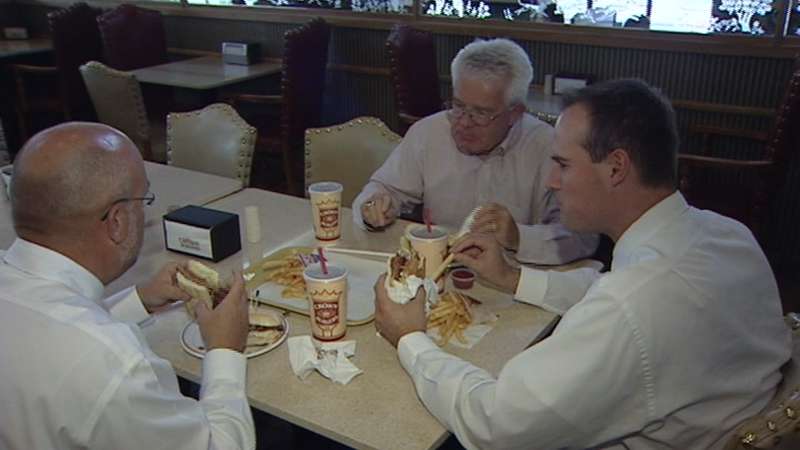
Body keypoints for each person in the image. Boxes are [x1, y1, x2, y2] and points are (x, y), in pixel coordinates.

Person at [373, 79, 791, 449]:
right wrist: (513, 278)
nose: (552, 181)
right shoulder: (726, 233)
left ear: (616, 167)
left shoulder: (631, 308)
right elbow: (607, 289)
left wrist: (411, 338)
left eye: (562, 165)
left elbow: (495, 425)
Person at [0, 123, 255, 450]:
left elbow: (48, 324)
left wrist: (138, 300)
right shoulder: (113, 367)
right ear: (118, 221)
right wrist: (225, 349)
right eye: (143, 200)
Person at [353, 38, 597, 265]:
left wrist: (518, 237)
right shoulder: (429, 132)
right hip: (436, 272)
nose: (464, 122)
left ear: (515, 113)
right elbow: (384, 189)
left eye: (481, 113)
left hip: (511, 280)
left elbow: (582, 237)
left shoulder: (549, 147)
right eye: (458, 106)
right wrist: (373, 206)